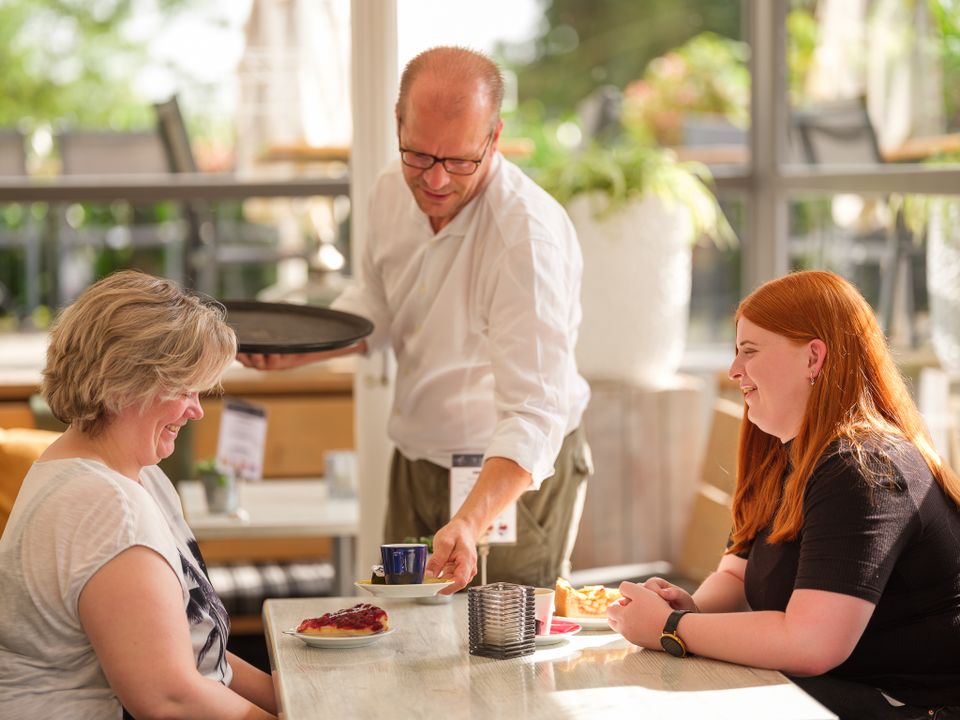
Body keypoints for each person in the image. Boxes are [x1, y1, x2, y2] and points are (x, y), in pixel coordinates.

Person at [240, 46, 592, 591]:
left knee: (497, 638)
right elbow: (378, 304)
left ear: (494, 137)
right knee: (397, 624)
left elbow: (535, 413)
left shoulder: (526, 238)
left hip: (508, 477)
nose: (436, 180)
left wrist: (470, 521)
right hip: (417, 457)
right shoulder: (388, 190)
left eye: (460, 161)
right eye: (420, 155)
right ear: (398, 124)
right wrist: (307, 348)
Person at [607, 270, 960, 719]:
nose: (734, 370)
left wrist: (672, 627)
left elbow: (812, 644)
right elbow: (736, 576)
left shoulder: (863, 466)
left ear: (813, 358)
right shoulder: (782, 454)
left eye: (750, 351)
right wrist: (690, 608)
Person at [0, 271, 277, 719]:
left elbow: (203, 658)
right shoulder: (101, 504)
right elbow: (168, 698)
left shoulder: (137, 475)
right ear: (124, 384)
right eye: (183, 389)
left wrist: (296, 701)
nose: (196, 410)